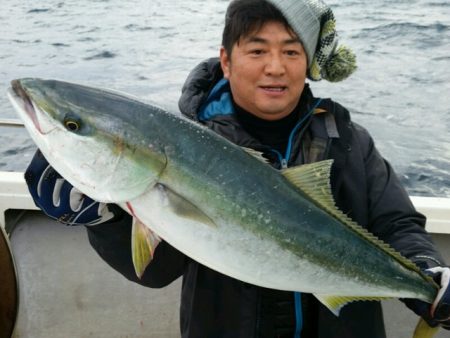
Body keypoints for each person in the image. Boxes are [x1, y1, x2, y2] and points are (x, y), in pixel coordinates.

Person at [24, 0, 450, 337]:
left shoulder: (348, 141)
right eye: (258, 50)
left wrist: (425, 273)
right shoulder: (192, 143)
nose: (275, 67)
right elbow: (154, 271)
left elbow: (397, 222)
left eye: (291, 51)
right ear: (226, 61)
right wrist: (103, 222)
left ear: (308, 65)